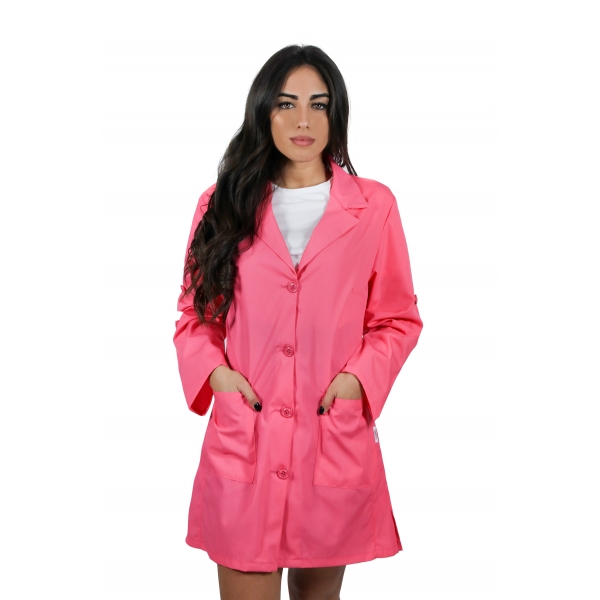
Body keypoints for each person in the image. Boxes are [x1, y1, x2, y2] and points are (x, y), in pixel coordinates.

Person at [173, 44, 424, 600]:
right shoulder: (222, 203)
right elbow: (195, 315)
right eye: (286, 104)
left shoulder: (374, 206)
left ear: (337, 114)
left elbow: (397, 318)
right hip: (249, 434)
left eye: (319, 104)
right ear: (263, 111)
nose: (303, 120)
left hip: (327, 432)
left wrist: (356, 381)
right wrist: (218, 377)